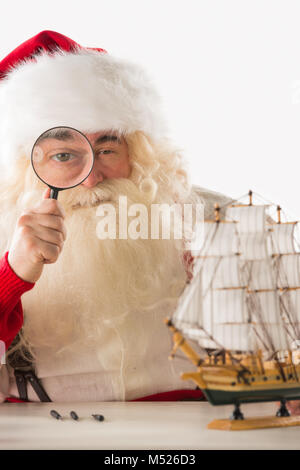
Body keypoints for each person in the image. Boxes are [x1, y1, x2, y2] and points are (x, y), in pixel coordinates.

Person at [0, 31, 243, 404]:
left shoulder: (214, 219)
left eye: (107, 149)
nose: (93, 177)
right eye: (65, 156)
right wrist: (12, 276)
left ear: (138, 153)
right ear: (29, 168)